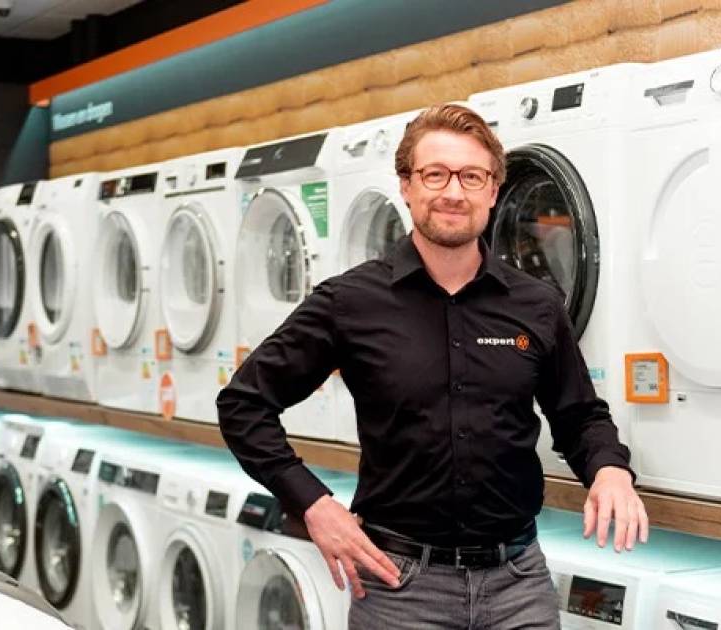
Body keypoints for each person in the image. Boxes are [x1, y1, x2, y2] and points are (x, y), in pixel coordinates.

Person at [217, 103, 648, 629]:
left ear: (493, 190)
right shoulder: (350, 303)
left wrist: (609, 470)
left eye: (472, 176)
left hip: (518, 584)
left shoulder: (535, 305)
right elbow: (243, 405)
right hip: (400, 589)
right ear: (407, 185)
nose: (453, 192)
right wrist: (313, 504)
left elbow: (579, 416)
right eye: (435, 174)